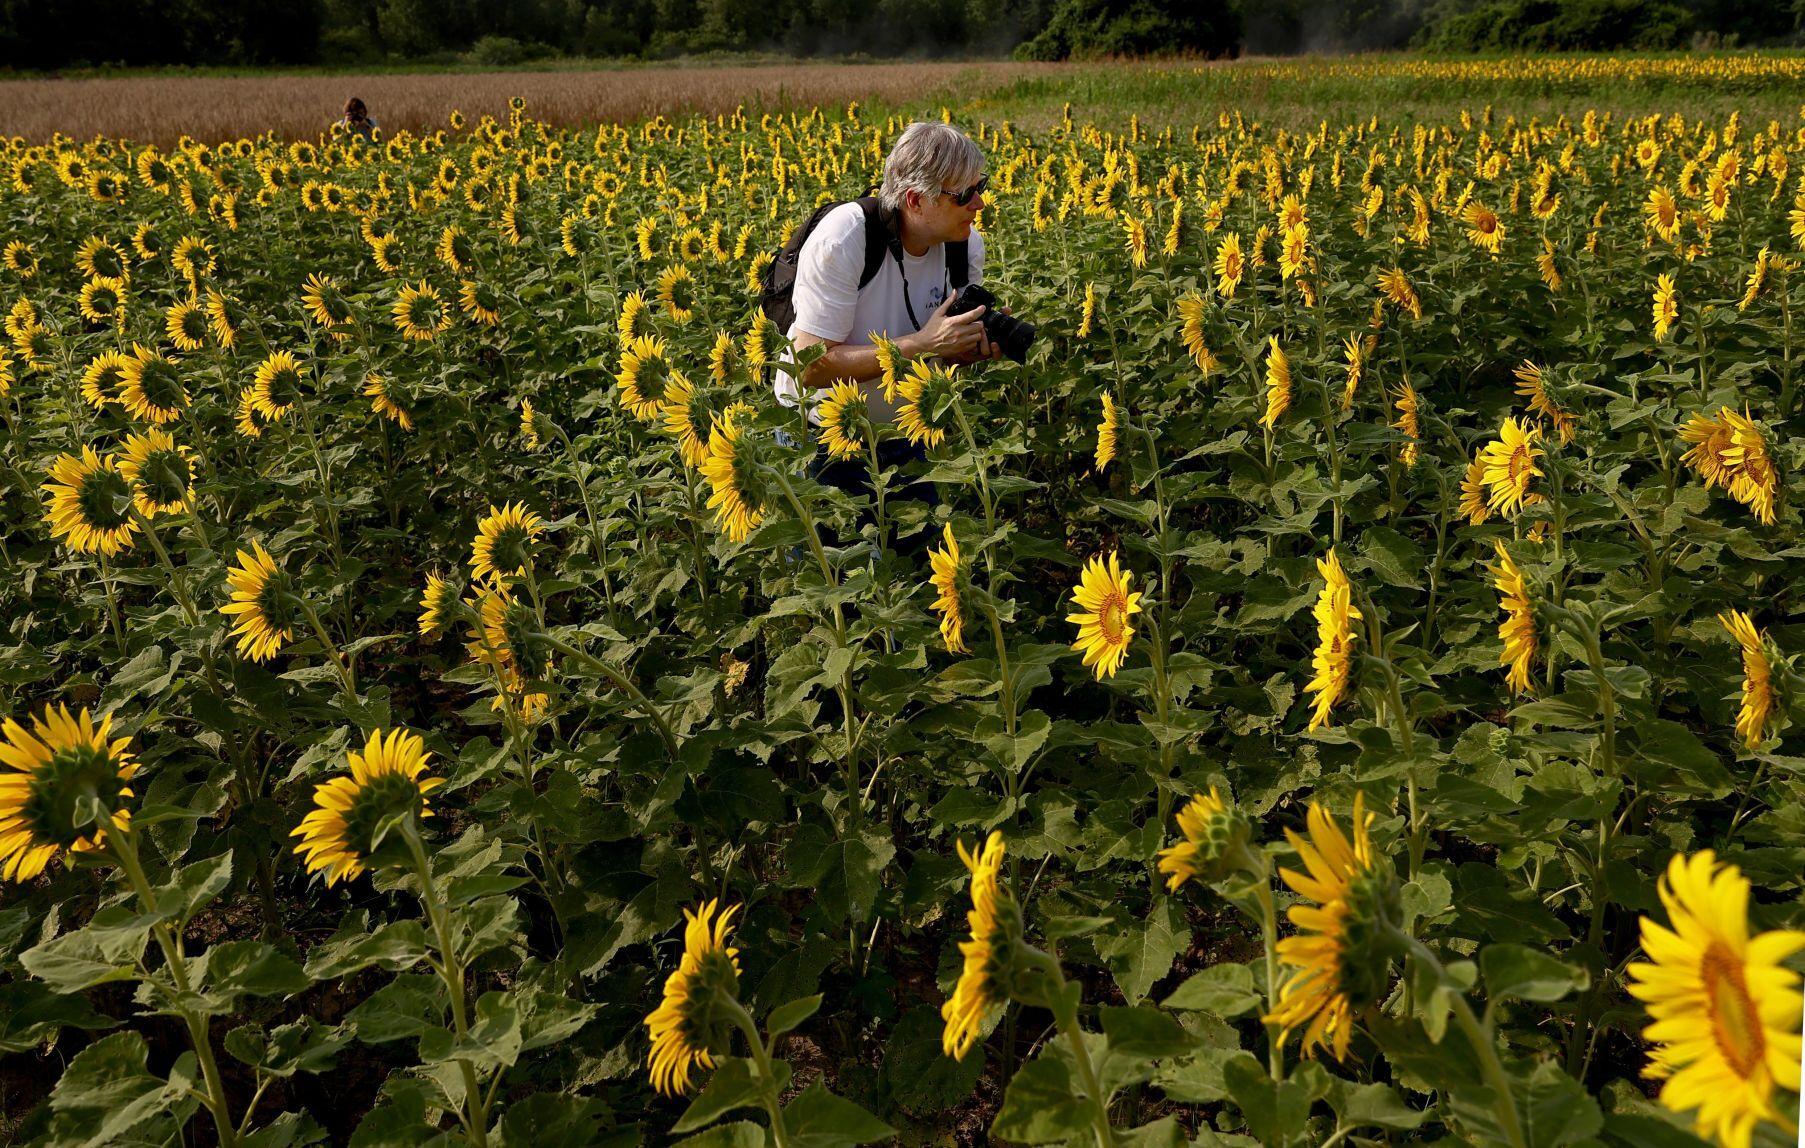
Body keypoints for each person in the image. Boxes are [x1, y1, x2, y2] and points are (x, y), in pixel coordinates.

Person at [776, 121, 999, 499]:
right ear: (915, 199)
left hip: (908, 431)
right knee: (834, 556)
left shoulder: (964, 244)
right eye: (964, 195)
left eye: (982, 187)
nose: (979, 203)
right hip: (824, 436)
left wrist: (969, 347)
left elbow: (944, 351)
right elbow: (809, 366)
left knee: (913, 555)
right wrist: (923, 344)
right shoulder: (846, 238)